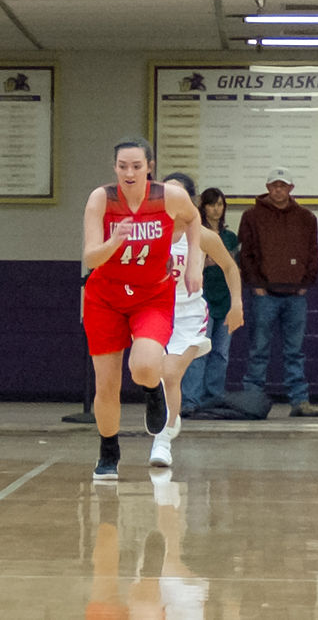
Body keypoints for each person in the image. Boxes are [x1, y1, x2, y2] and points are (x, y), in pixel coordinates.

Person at [80, 138, 202, 480]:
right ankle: (108, 450)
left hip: (151, 296)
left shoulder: (169, 197)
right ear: (114, 167)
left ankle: (152, 391)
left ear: (150, 166)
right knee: (106, 384)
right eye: (122, 166)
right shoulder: (101, 198)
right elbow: (90, 257)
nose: (129, 172)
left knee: (146, 366)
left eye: (136, 166)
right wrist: (115, 240)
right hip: (105, 297)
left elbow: (194, 220)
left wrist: (194, 263)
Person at [150, 173, 243, 468]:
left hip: (189, 314)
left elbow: (230, 267)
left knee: (171, 372)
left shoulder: (202, 235)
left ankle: (162, 442)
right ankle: (171, 417)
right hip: (154, 312)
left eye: (176, 194)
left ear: (191, 201)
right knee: (154, 375)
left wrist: (237, 304)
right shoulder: (151, 231)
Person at [238, 167, 318, 417]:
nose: (278, 190)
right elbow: (246, 254)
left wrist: (306, 282)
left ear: (291, 189)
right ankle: (252, 400)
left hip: (296, 295)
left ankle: (300, 401)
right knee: (259, 350)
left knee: (295, 351)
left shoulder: (307, 218)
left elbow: (313, 252)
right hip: (265, 295)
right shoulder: (252, 216)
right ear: (267, 188)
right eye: (274, 185)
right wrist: (257, 286)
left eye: (283, 186)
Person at [179, 187, 239, 416]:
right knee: (198, 351)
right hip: (202, 298)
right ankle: (190, 400)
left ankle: (213, 397)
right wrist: (206, 263)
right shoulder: (195, 234)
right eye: (212, 204)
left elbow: (233, 267)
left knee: (221, 352)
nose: (216, 209)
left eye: (220, 204)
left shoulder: (229, 237)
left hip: (224, 299)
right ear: (203, 207)